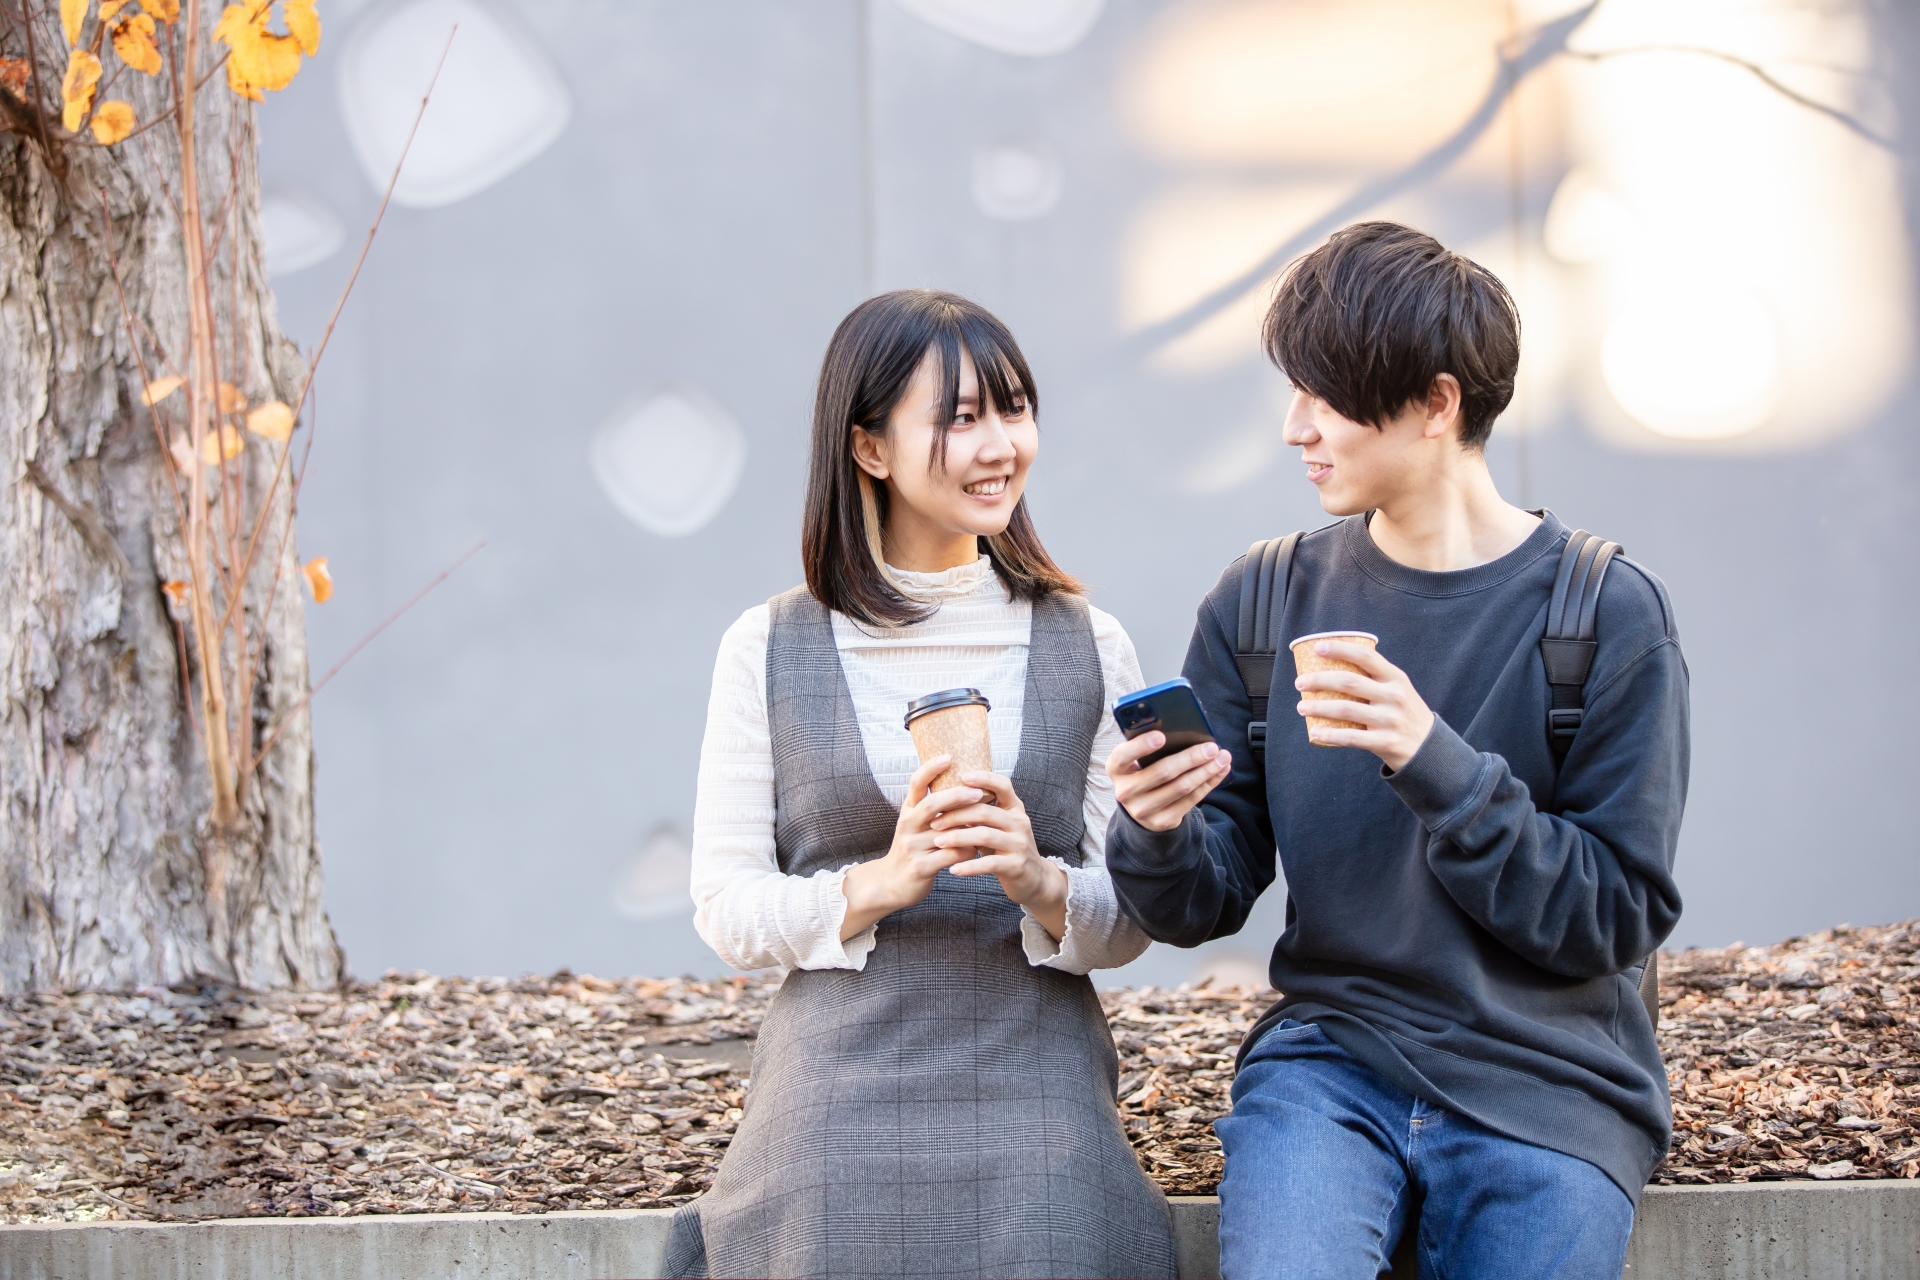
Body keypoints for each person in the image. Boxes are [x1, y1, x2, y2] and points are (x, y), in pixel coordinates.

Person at [1102, 222, 1688, 1280]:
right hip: (1331, 1063)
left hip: (1550, 1080)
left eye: (1322, 395)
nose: (1294, 428)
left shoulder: (1602, 613)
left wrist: (1435, 759)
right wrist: (1154, 827)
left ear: (1437, 402)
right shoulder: (1265, 598)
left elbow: (1615, 913)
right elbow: (1204, 896)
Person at [667, 289, 1177, 1280]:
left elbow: (1129, 915)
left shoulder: (1088, 640)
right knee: (812, 1215)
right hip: (836, 1070)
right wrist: (878, 883)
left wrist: (1038, 877)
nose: (1002, 445)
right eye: (959, 418)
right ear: (869, 448)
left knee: (1071, 1223)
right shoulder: (768, 644)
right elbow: (725, 906)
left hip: (1034, 1057)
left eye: (1014, 408)